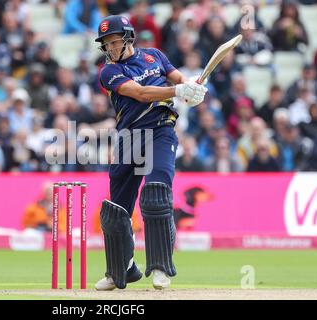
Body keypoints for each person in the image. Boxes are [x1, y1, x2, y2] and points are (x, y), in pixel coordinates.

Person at [94, 15, 207, 291]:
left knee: (156, 193)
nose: (110, 47)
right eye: (106, 43)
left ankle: (159, 267)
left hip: (160, 130)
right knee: (116, 209)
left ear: (129, 37)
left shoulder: (154, 55)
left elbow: (179, 77)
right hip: (129, 137)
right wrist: (178, 90)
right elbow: (142, 93)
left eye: (114, 41)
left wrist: (191, 86)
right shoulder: (108, 72)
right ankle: (120, 269)